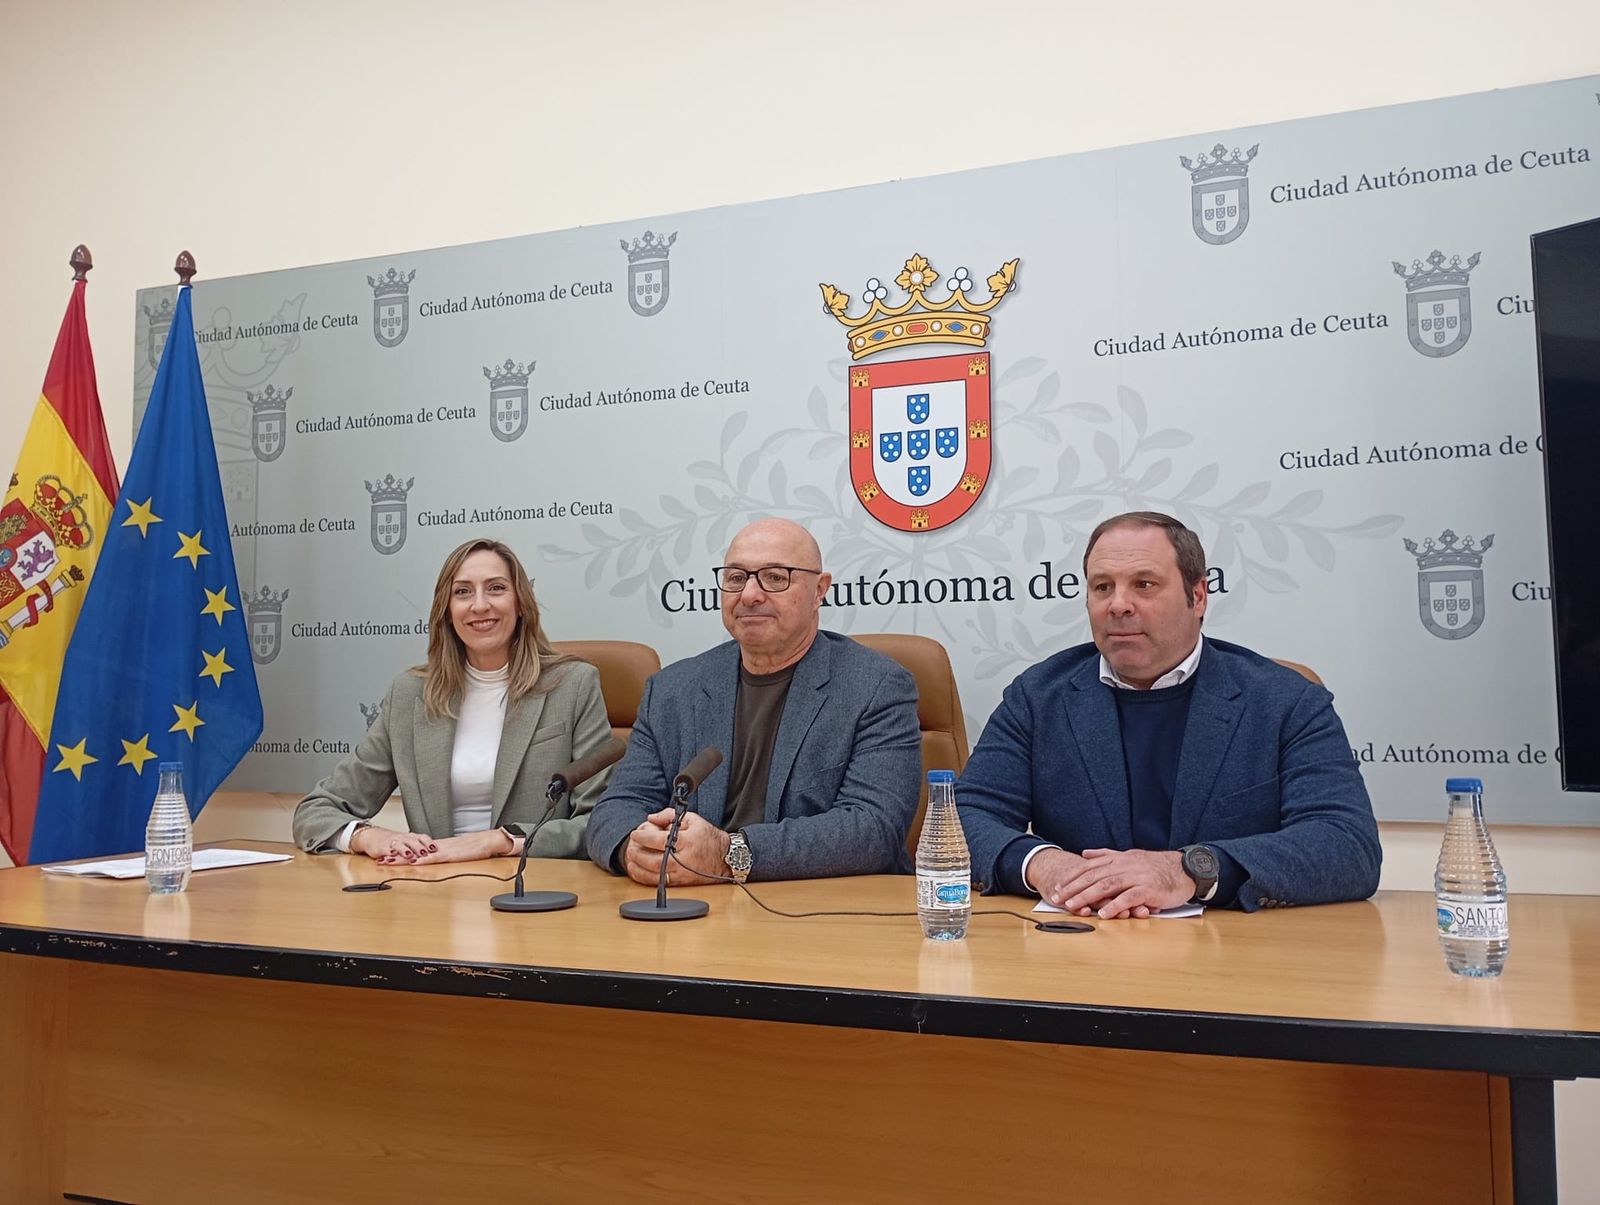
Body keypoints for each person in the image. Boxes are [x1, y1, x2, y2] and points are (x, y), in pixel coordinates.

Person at [956, 511, 1380, 916]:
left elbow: (1348, 845)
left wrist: (1189, 870)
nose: (1118, 605)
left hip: (1232, 950)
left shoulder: (1286, 701)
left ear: (1198, 597)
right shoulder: (1038, 696)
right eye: (1102, 587)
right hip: (1083, 938)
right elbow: (962, 820)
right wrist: (1044, 864)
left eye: (1144, 584)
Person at [586, 517, 921, 884]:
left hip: (820, 904)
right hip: (691, 903)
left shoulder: (876, 686)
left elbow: (874, 828)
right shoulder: (671, 690)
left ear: (819, 590)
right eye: (735, 578)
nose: (749, 595)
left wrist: (728, 854)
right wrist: (633, 849)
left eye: (775, 577)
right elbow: (618, 807)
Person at [293, 537, 613, 865]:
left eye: (496, 588)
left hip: (531, 886)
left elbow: (604, 820)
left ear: (520, 603)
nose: (479, 605)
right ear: (446, 611)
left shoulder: (573, 685)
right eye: (462, 592)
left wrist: (500, 841)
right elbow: (315, 811)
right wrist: (370, 837)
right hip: (435, 887)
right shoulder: (409, 695)